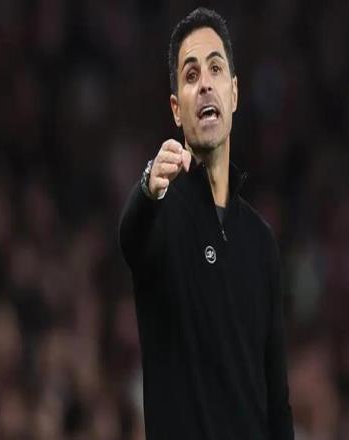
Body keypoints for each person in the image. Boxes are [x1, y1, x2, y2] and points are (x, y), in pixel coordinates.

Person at [119, 7, 294, 440]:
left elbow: (277, 399)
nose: (205, 85)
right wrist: (147, 188)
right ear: (176, 109)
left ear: (233, 93)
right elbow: (130, 237)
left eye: (215, 69)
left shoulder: (260, 241)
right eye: (191, 74)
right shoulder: (159, 215)